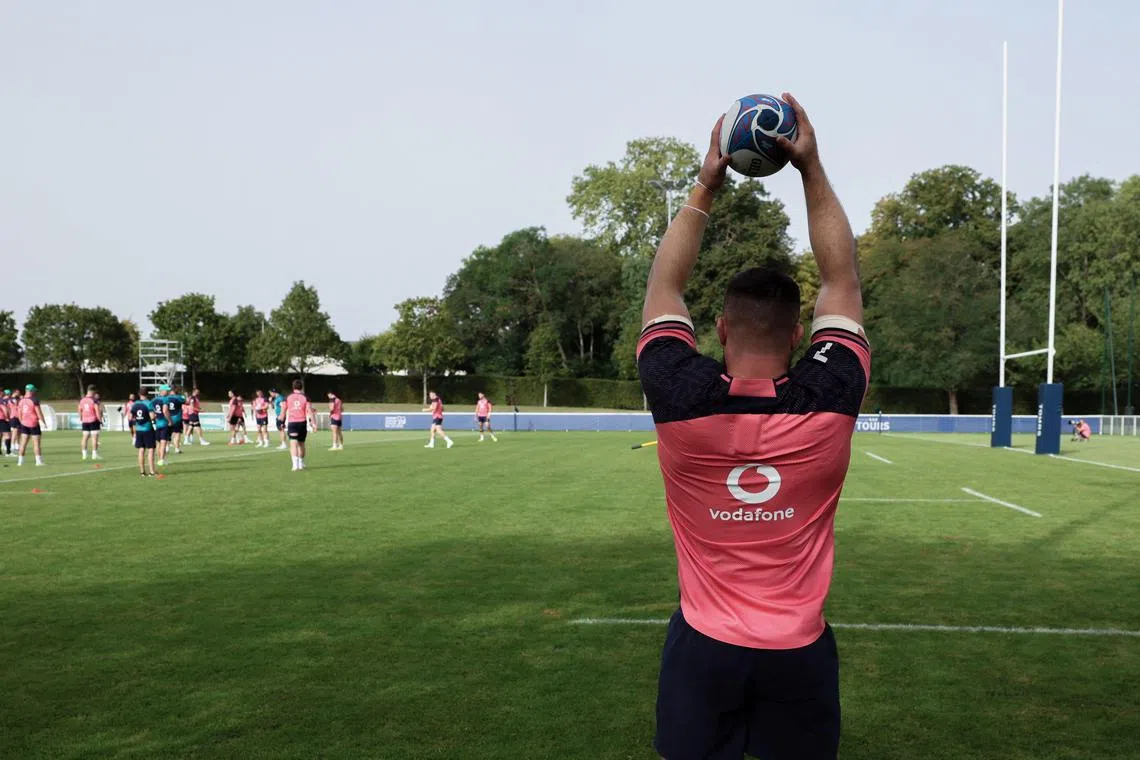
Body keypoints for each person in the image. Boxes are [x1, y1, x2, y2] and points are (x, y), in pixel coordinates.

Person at [637, 96, 866, 760]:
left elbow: (664, 285)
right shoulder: (832, 394)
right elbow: (841, 279)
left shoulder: (680, 396)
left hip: (704, 648)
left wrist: (708, 180)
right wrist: (810, 168)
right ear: (799, 334)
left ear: (721, 329)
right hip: (798, 652)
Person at [283, 380, 316, 471]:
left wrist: (281, 421)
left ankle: (295, 465)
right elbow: (310, 411)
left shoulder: (288, 397)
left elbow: (283, 411)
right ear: (301, 387)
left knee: (293, 444)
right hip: (302, 423)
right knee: (301, 444)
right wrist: (314, 424)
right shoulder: (305, 397)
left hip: (292, 423)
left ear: (293, 387)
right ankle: (301, 464)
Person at [17, 384, 48, 467]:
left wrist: (21, 422)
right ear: (31, 391)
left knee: (23, 443)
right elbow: (39, 413)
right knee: (36, 443)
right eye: (34, 390)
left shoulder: (21, 400)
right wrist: (44, 422)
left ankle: (20, 462)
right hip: (33, 423)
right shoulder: (34, 400)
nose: (35, 392)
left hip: (24, 423)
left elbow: (19, 413)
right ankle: (38, 461)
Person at [130, 390, 159, 477]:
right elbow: (152, 416)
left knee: (141, 450)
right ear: (147, 394)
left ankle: (142, 472)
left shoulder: (135, 404)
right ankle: (152, 471)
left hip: (139, 429)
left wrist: (138, 421)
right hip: (148, 429)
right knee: (150, 450)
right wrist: (155, 417)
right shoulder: (148, 403)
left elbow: (131, 417)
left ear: (139, 394)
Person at [79, 385, 104, 460]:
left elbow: (80, 410)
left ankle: (84, 455)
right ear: (93, 391)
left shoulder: (82, 400)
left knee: (85, 437)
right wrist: (100, 420)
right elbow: (97, 411)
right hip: (93, 420)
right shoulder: (94, 400)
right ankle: (94, 454)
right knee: (94, 438)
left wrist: (81, 418)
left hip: (85, 421)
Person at [161, 385, 187, 454]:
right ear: (175, 390)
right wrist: (185, 396)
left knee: (168, 433)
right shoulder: (179, 397)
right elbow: (186, 402)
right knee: (177, 433)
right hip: (177, 418)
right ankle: (177, 448)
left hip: (168, 418)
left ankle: (167, 448)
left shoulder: (166, 398)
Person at [0, 389, 13, 457]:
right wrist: (7, 417)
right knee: (7, 435)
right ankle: (8, 452)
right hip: (2, 419)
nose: (3, 393)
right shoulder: (1, 400)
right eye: (2, 391)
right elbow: (5, 409)